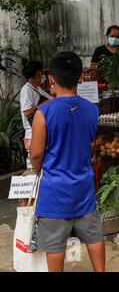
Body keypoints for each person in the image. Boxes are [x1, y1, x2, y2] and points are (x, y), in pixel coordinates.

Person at [30, 52, 105, 272]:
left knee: (54, 243)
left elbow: (36, 154)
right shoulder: (92, 110)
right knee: (93, 235)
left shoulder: (43, 113)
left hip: (54, 190)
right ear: (80, 77)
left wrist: (38, 171)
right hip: (84, 186)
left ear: (51, 78)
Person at [19, 59, 52, 154]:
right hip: (33, 135)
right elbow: (27, 112)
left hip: (41, 133)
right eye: (42, 73)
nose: (43, 76)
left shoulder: (36, 89)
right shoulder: (26, 89)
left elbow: (51, 99)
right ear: (38, 73)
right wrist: (46, 103)